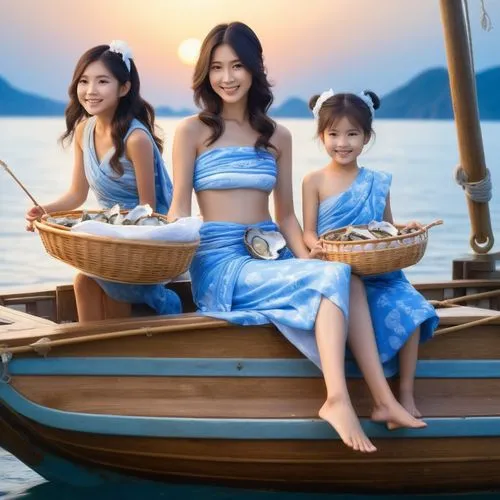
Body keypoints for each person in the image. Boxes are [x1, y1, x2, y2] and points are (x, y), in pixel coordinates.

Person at [168, 22, 426, 453]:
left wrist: (312, 255)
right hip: (221, 262)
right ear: (205, 73)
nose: (227, 77)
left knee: (345, 276)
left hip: (272, 248)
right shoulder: (193, 131)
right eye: (216, 67)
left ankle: (383, 401)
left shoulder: (277, 136)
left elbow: (285, 214)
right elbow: (179, 210)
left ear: (254, 70)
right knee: (332, 281)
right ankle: (336, 399)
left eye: (237, 66)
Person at [302, 89, 439, 419]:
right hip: (340, 271)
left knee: (414, 309)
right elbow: (307, 230)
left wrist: (405, 228)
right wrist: (313, 244)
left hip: (380, 272)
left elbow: (386, 228)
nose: (342, 143)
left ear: (367, 137)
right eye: (333, 134)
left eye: (352, 134)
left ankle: (405, 393)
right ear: (322, 136)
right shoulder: (314, 180)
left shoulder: (377, 181)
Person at [25, 41, 181, 321]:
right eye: (84, 81)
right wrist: (45, 211)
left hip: (140, 246)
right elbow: (76, 194)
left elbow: (149, 211)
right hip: (106, 243)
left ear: (124, 88)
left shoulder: (136, 139)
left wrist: (112, 241)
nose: (90, 90)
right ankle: (94, 359)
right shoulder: (84, 129)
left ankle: (157, 304)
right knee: (84, 281)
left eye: (102, 81)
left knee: (102, 285)